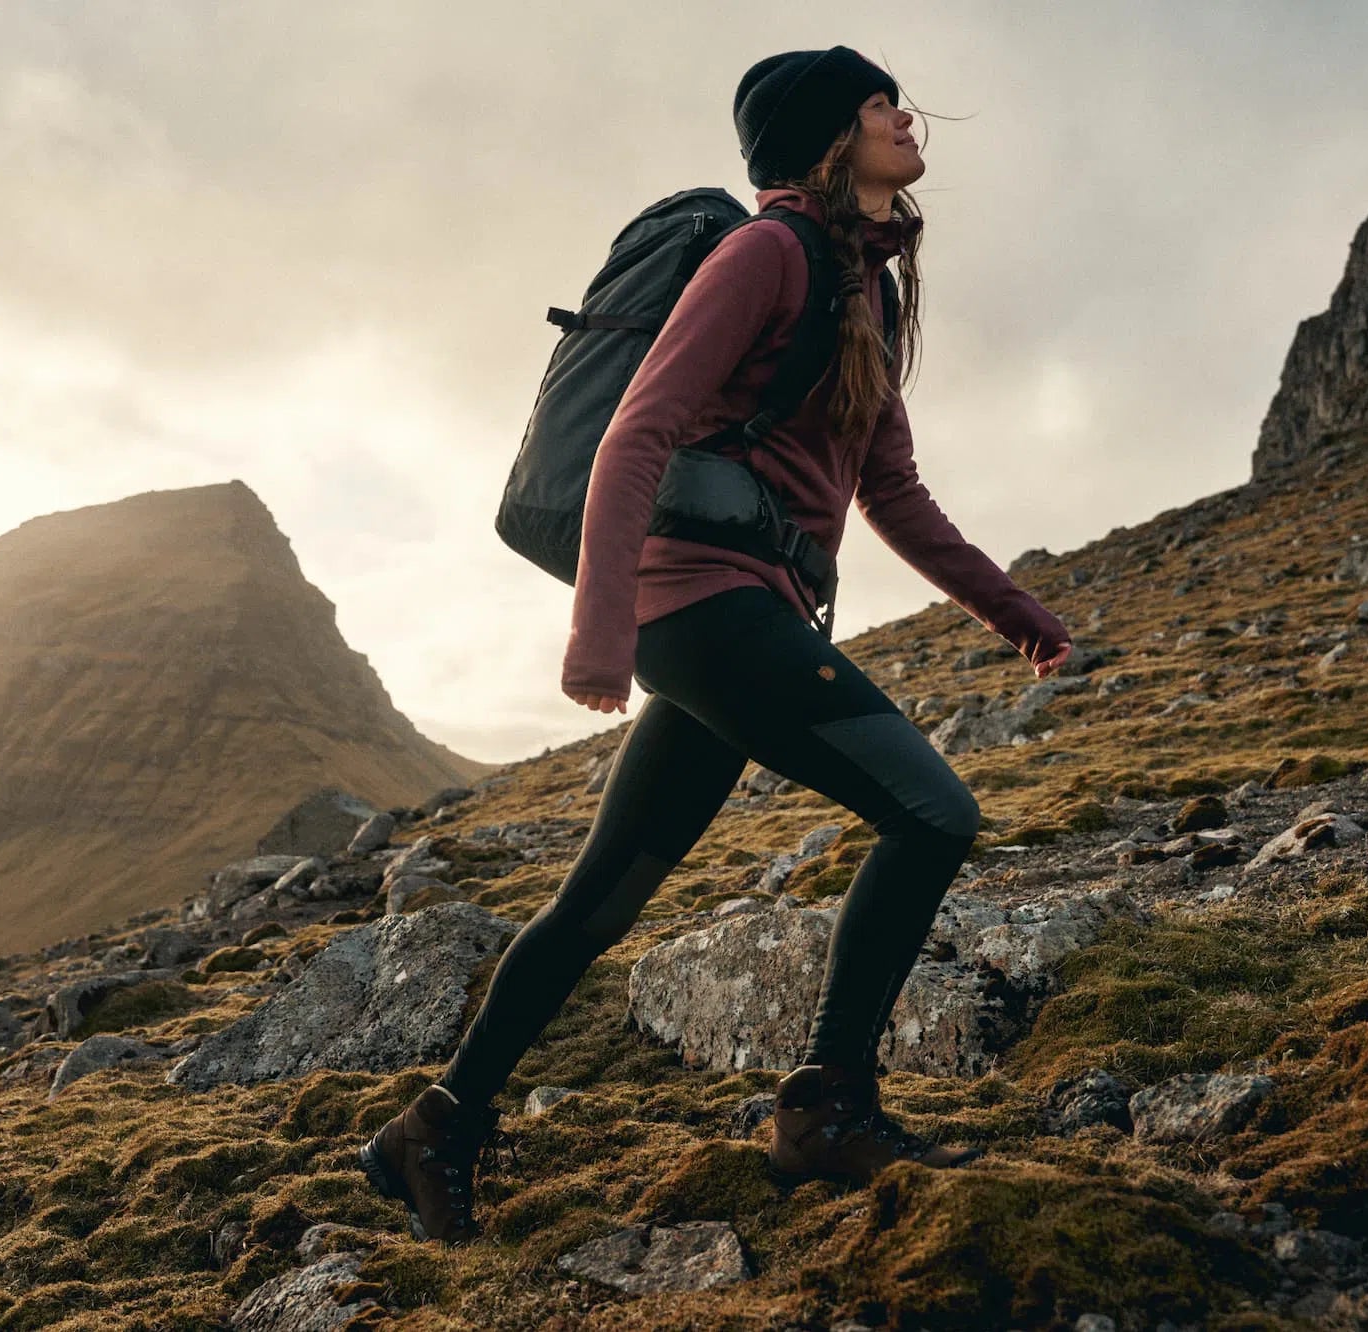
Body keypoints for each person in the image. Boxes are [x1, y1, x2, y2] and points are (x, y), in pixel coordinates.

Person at [359, 46, 1073, 1245]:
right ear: (825, 138)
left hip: (739, 617)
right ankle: (827, 1107)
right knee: (933, 815)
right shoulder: (764, 255)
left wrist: (1017, 614)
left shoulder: (865, 292)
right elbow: (635, 435)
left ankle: (435, 1127)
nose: (906, 117)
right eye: (877, 103)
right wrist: (597, 632)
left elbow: (891, 491)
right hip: (695, 606)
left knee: (600, 898)